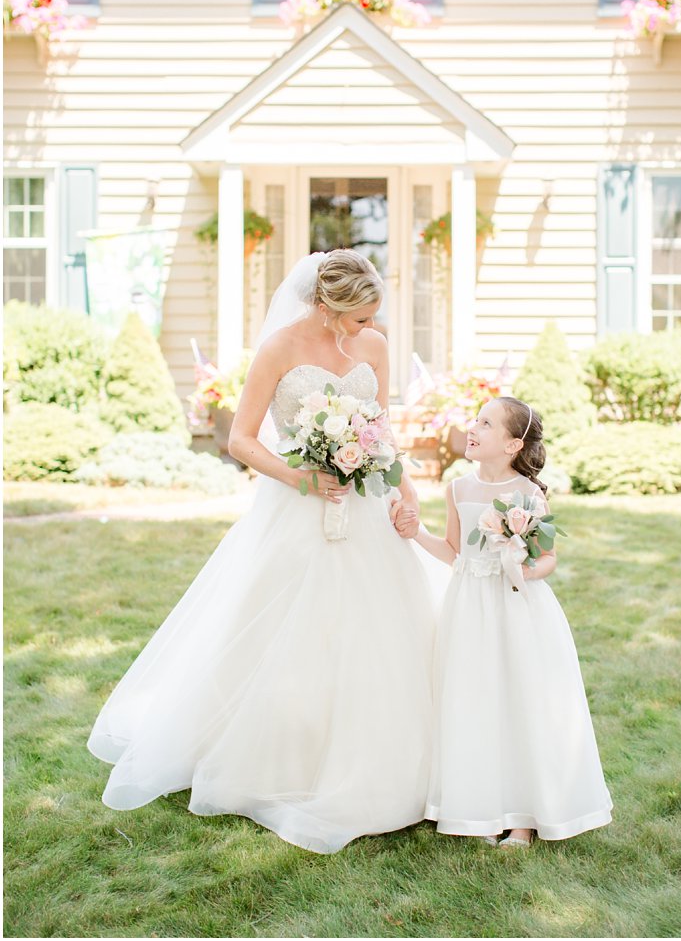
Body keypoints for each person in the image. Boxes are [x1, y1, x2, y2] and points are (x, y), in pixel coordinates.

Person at [88, 249, 437, 854]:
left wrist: (408, 500)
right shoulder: (278, 349)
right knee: (288, 635)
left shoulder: (374, 349)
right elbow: (242, 440)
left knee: (378, 635)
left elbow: (383, 436)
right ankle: (275, 756)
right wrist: (301, 478)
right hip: (298, 510)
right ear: (326, 306)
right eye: (358, 318)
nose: (367, 329)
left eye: (373, 317)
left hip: (366, 510)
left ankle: (377, 759)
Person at [400, 396, 612, 847]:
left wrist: (523, 568)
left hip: (516, 607)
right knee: (474, 699)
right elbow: (454, 551)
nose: (472, 427)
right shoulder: (458, 489)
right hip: (468, 606)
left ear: (513, 444)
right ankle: (478, 806)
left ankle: (525, 819)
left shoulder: (528, 495)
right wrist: (415, 532)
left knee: (521, 699)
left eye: (486, 423)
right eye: (475, 419)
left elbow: (548, 557)